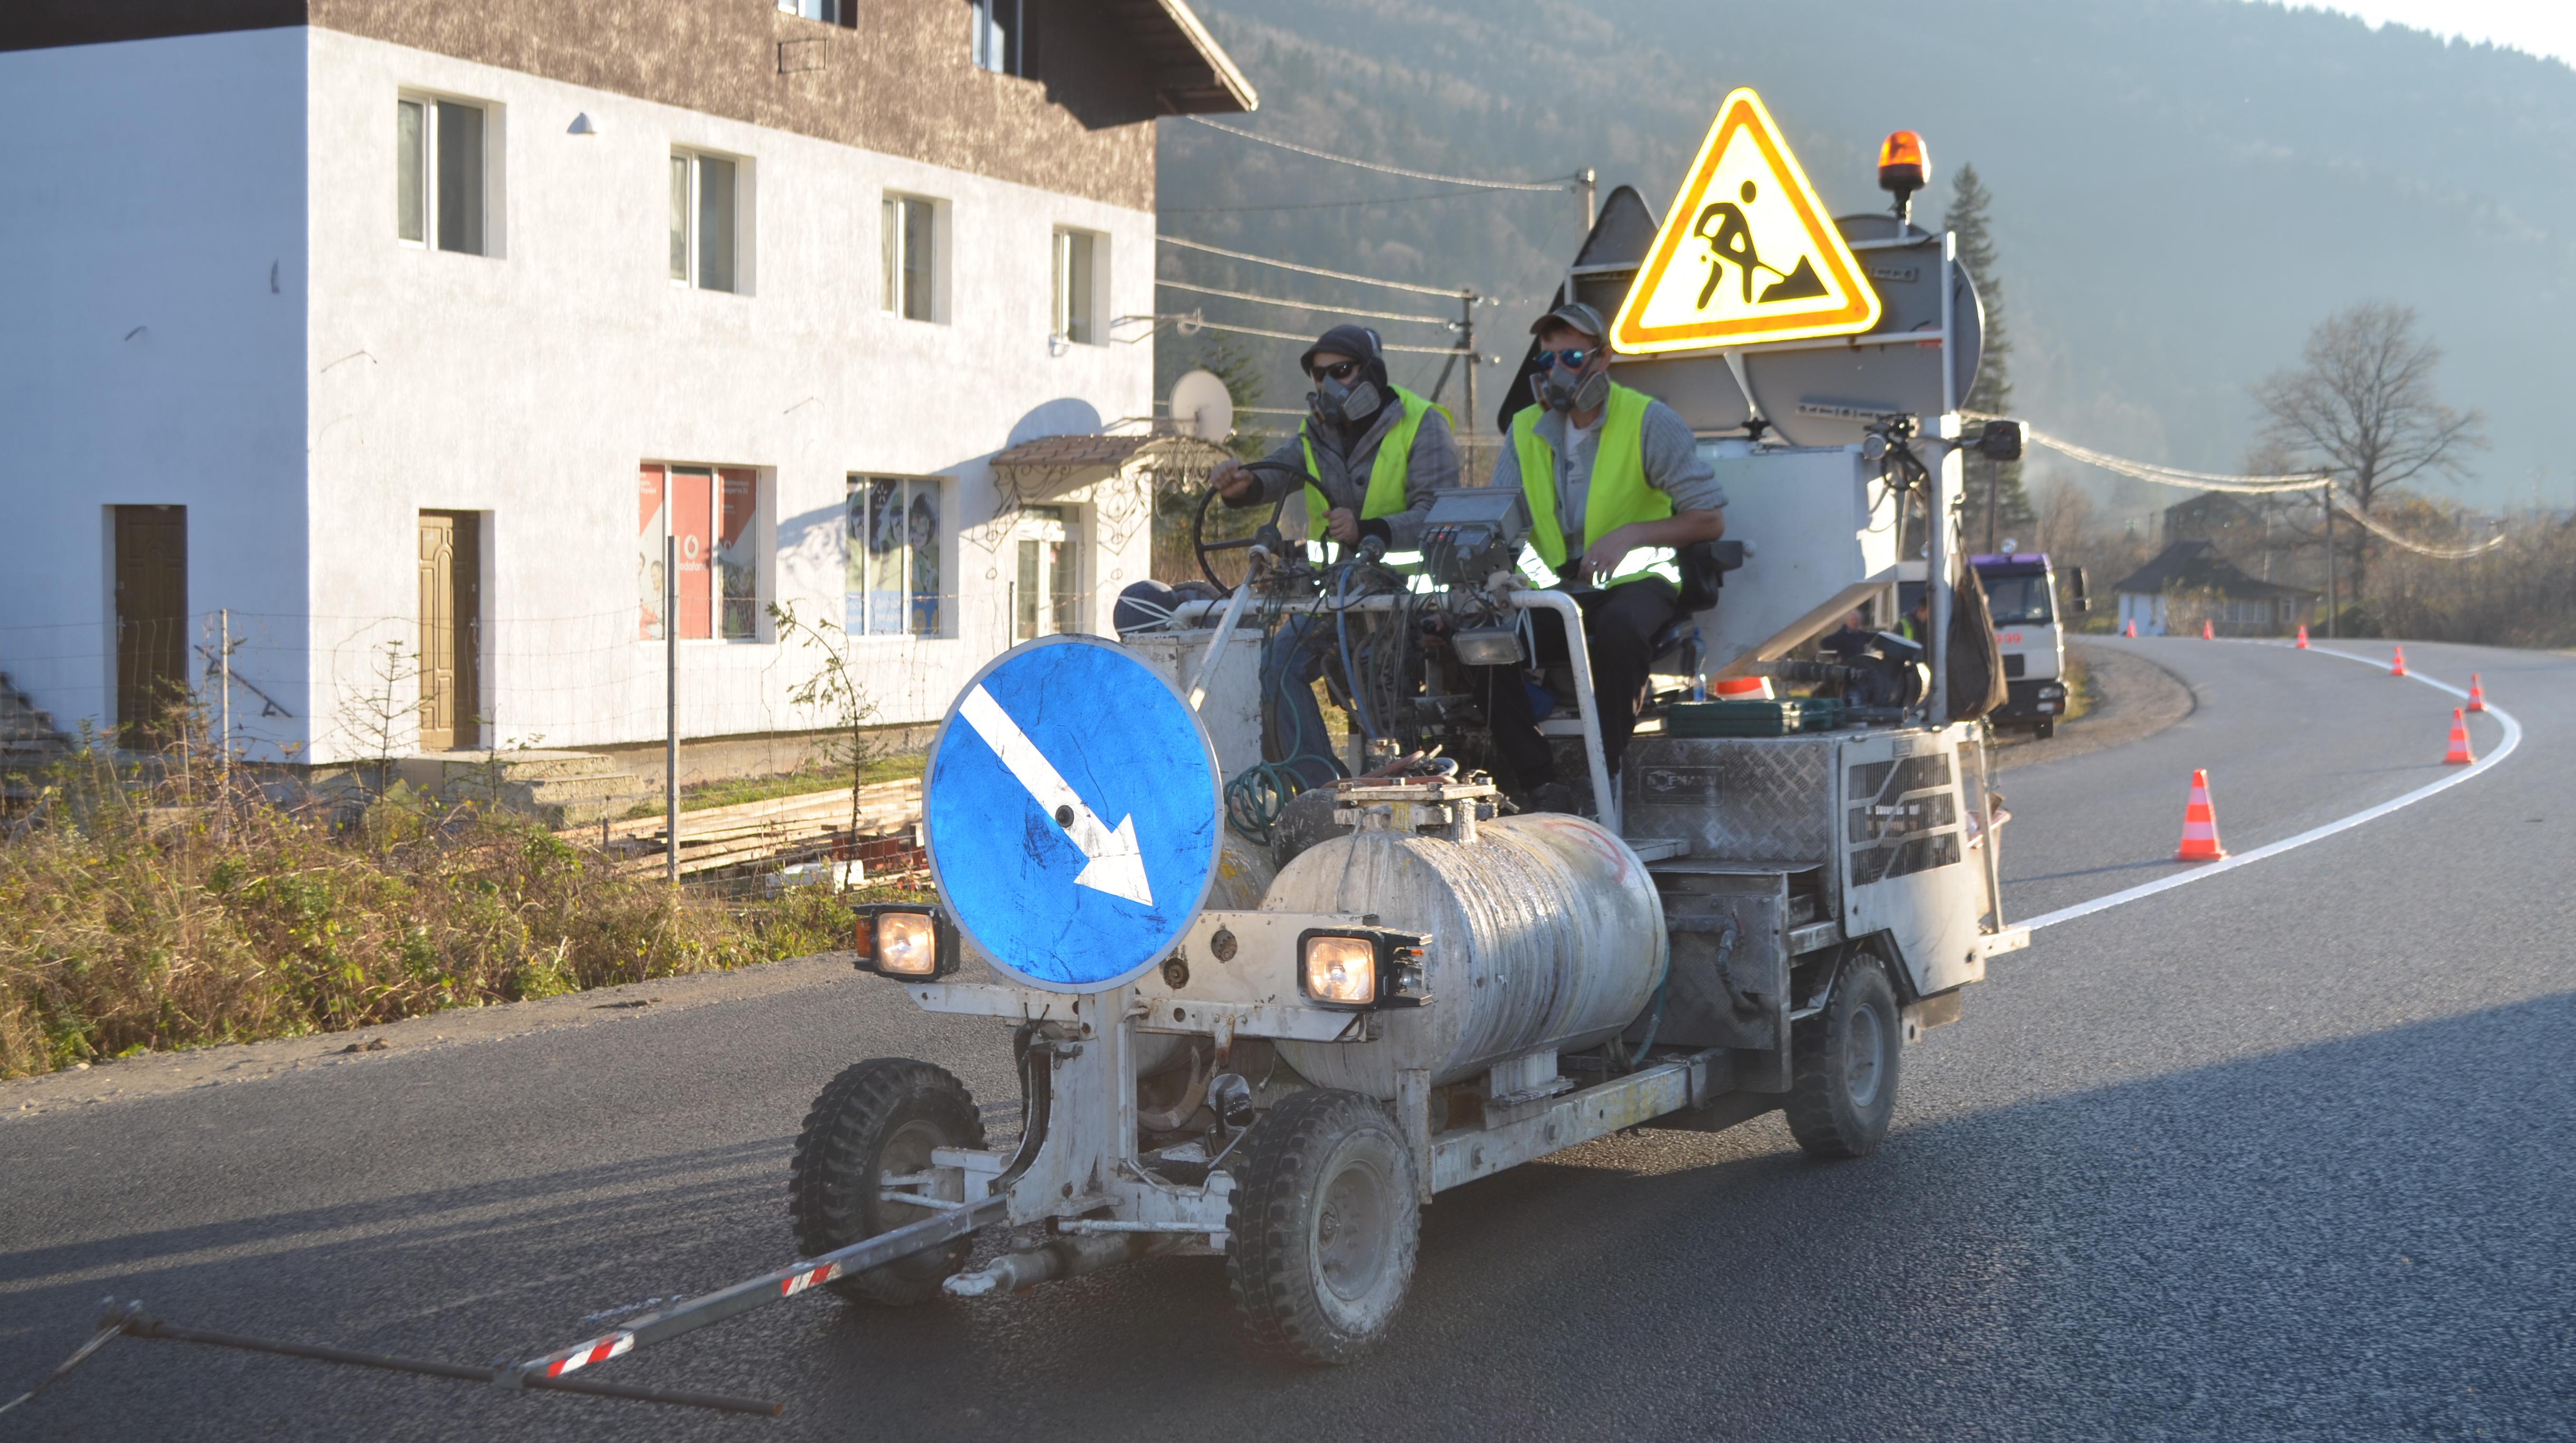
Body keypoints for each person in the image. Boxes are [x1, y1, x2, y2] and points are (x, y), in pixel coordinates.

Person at [1474, 301, 1727, 810]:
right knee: (1482, 644)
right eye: (1546, 362)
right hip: (1559, 590)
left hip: (1640, 581)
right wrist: (1500, 580)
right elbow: (1497, 519)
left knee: (1618, 633)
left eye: (1570, 357)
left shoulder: (1648, 420)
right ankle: (1542, 784)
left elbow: (1709, 518)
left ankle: (1605, 773)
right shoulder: (1525, 428)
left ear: (1603, 358)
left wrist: (1632, 534)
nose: (1556, 373)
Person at [1208, 324, 1460, 789]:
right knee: (1279, 665)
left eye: (1339, 371)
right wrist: (1245, 488)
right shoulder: (1315, 433)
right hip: (1340, 595)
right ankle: (1322, 790)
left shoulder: (1422, 423)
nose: (1326, 385)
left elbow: (1441, 513)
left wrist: (1373, 531)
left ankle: (1402, 790)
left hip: (1408, 599)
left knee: (1385, 701)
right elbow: (1281, 471)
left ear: (1372, 373)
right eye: (1319, 376)